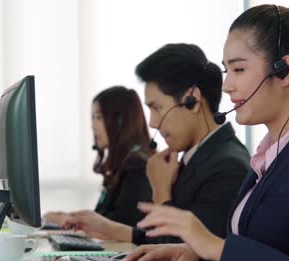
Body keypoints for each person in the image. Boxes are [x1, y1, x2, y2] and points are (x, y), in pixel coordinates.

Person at [121, 4, 289, 261]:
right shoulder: (269, 156)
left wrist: (216, 248)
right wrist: (198, 255)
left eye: (238, 70)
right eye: (226, 70)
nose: (227, 86)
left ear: (284, 71)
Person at [62, 43, 251, 245]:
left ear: (192, 100)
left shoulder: (228, 167)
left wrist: (161, 191)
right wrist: (109, 228)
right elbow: (158, 239)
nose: (152, 122)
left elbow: (181, 250)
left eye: (157, 108)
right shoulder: (194, 158)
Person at [43, 86, 154, 227]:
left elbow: (123, 222)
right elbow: (104, 215)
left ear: (121, 121)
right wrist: (70, 217)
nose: (93, 126)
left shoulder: (137, 166)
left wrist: (69, 221)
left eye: (98, 117)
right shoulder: (123, 164)